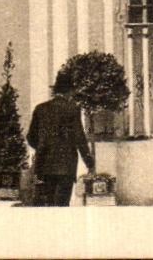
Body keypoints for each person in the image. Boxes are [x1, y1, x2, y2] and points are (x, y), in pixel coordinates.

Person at [26, 69, 95, 206]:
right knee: (62, 206)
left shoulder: (40, 109)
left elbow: (30, 137)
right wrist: (89, 162)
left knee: (48, 205)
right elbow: (79, 138)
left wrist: (41, 146)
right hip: (66, 166)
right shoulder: (72, 109)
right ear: (70, 91)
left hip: (44, 164)